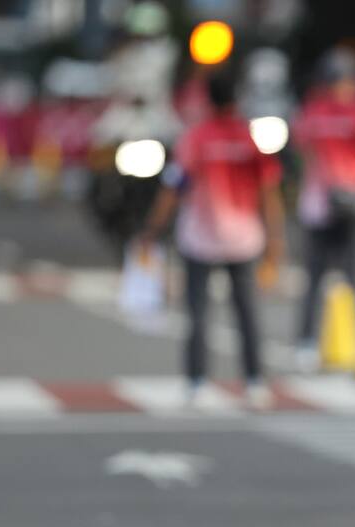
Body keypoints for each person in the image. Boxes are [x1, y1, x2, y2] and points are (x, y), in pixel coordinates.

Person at [139, 71, 285, 410]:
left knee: (198, 313)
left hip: (199, 238)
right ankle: (253, 381)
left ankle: (196, 382)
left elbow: (172, 190)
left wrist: (151, 230)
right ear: (236, 100)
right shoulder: (249, 140)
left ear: (207, 100)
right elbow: (269, 194)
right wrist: (276, 241)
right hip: (244, 239)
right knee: (247, 314)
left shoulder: (196, 139)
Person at [291, 47, 355, 369]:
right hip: (339, 201)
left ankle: (329, 340)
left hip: (332, 202)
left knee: (336, 274)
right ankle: (323, 339)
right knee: (335, 275)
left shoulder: (316, 113)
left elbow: (302, 150)